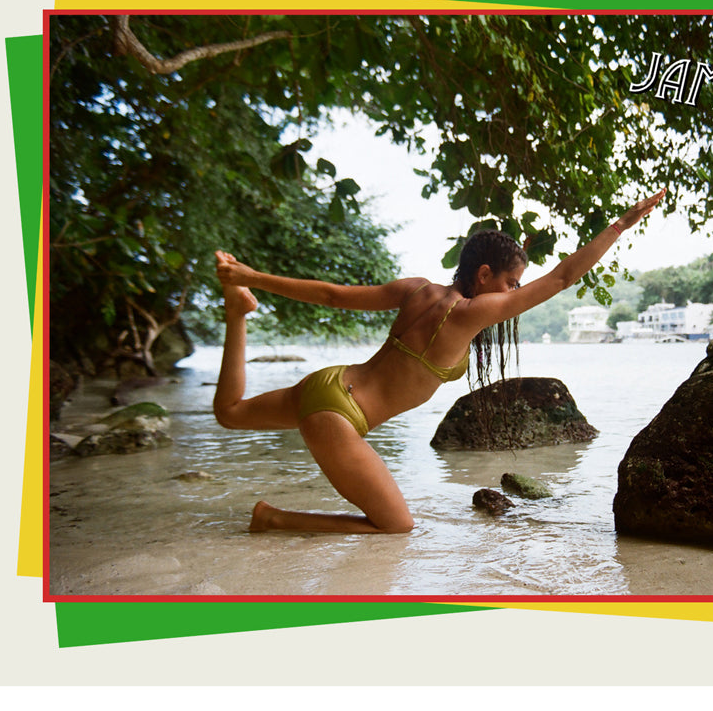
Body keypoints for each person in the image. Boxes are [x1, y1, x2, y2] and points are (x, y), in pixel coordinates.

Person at [213, 188, 666, 534]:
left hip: (329, 384)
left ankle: (239, 312)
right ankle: (273, 520)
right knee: (397, 528)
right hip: (339, 415)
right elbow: (564, 276)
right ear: (483, 275)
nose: (512, 293)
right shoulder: (471, 313)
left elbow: (332, 295)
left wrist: (250, 276)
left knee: (229, 413)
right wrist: (619, 226)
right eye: (510, 282)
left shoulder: (416, 288)